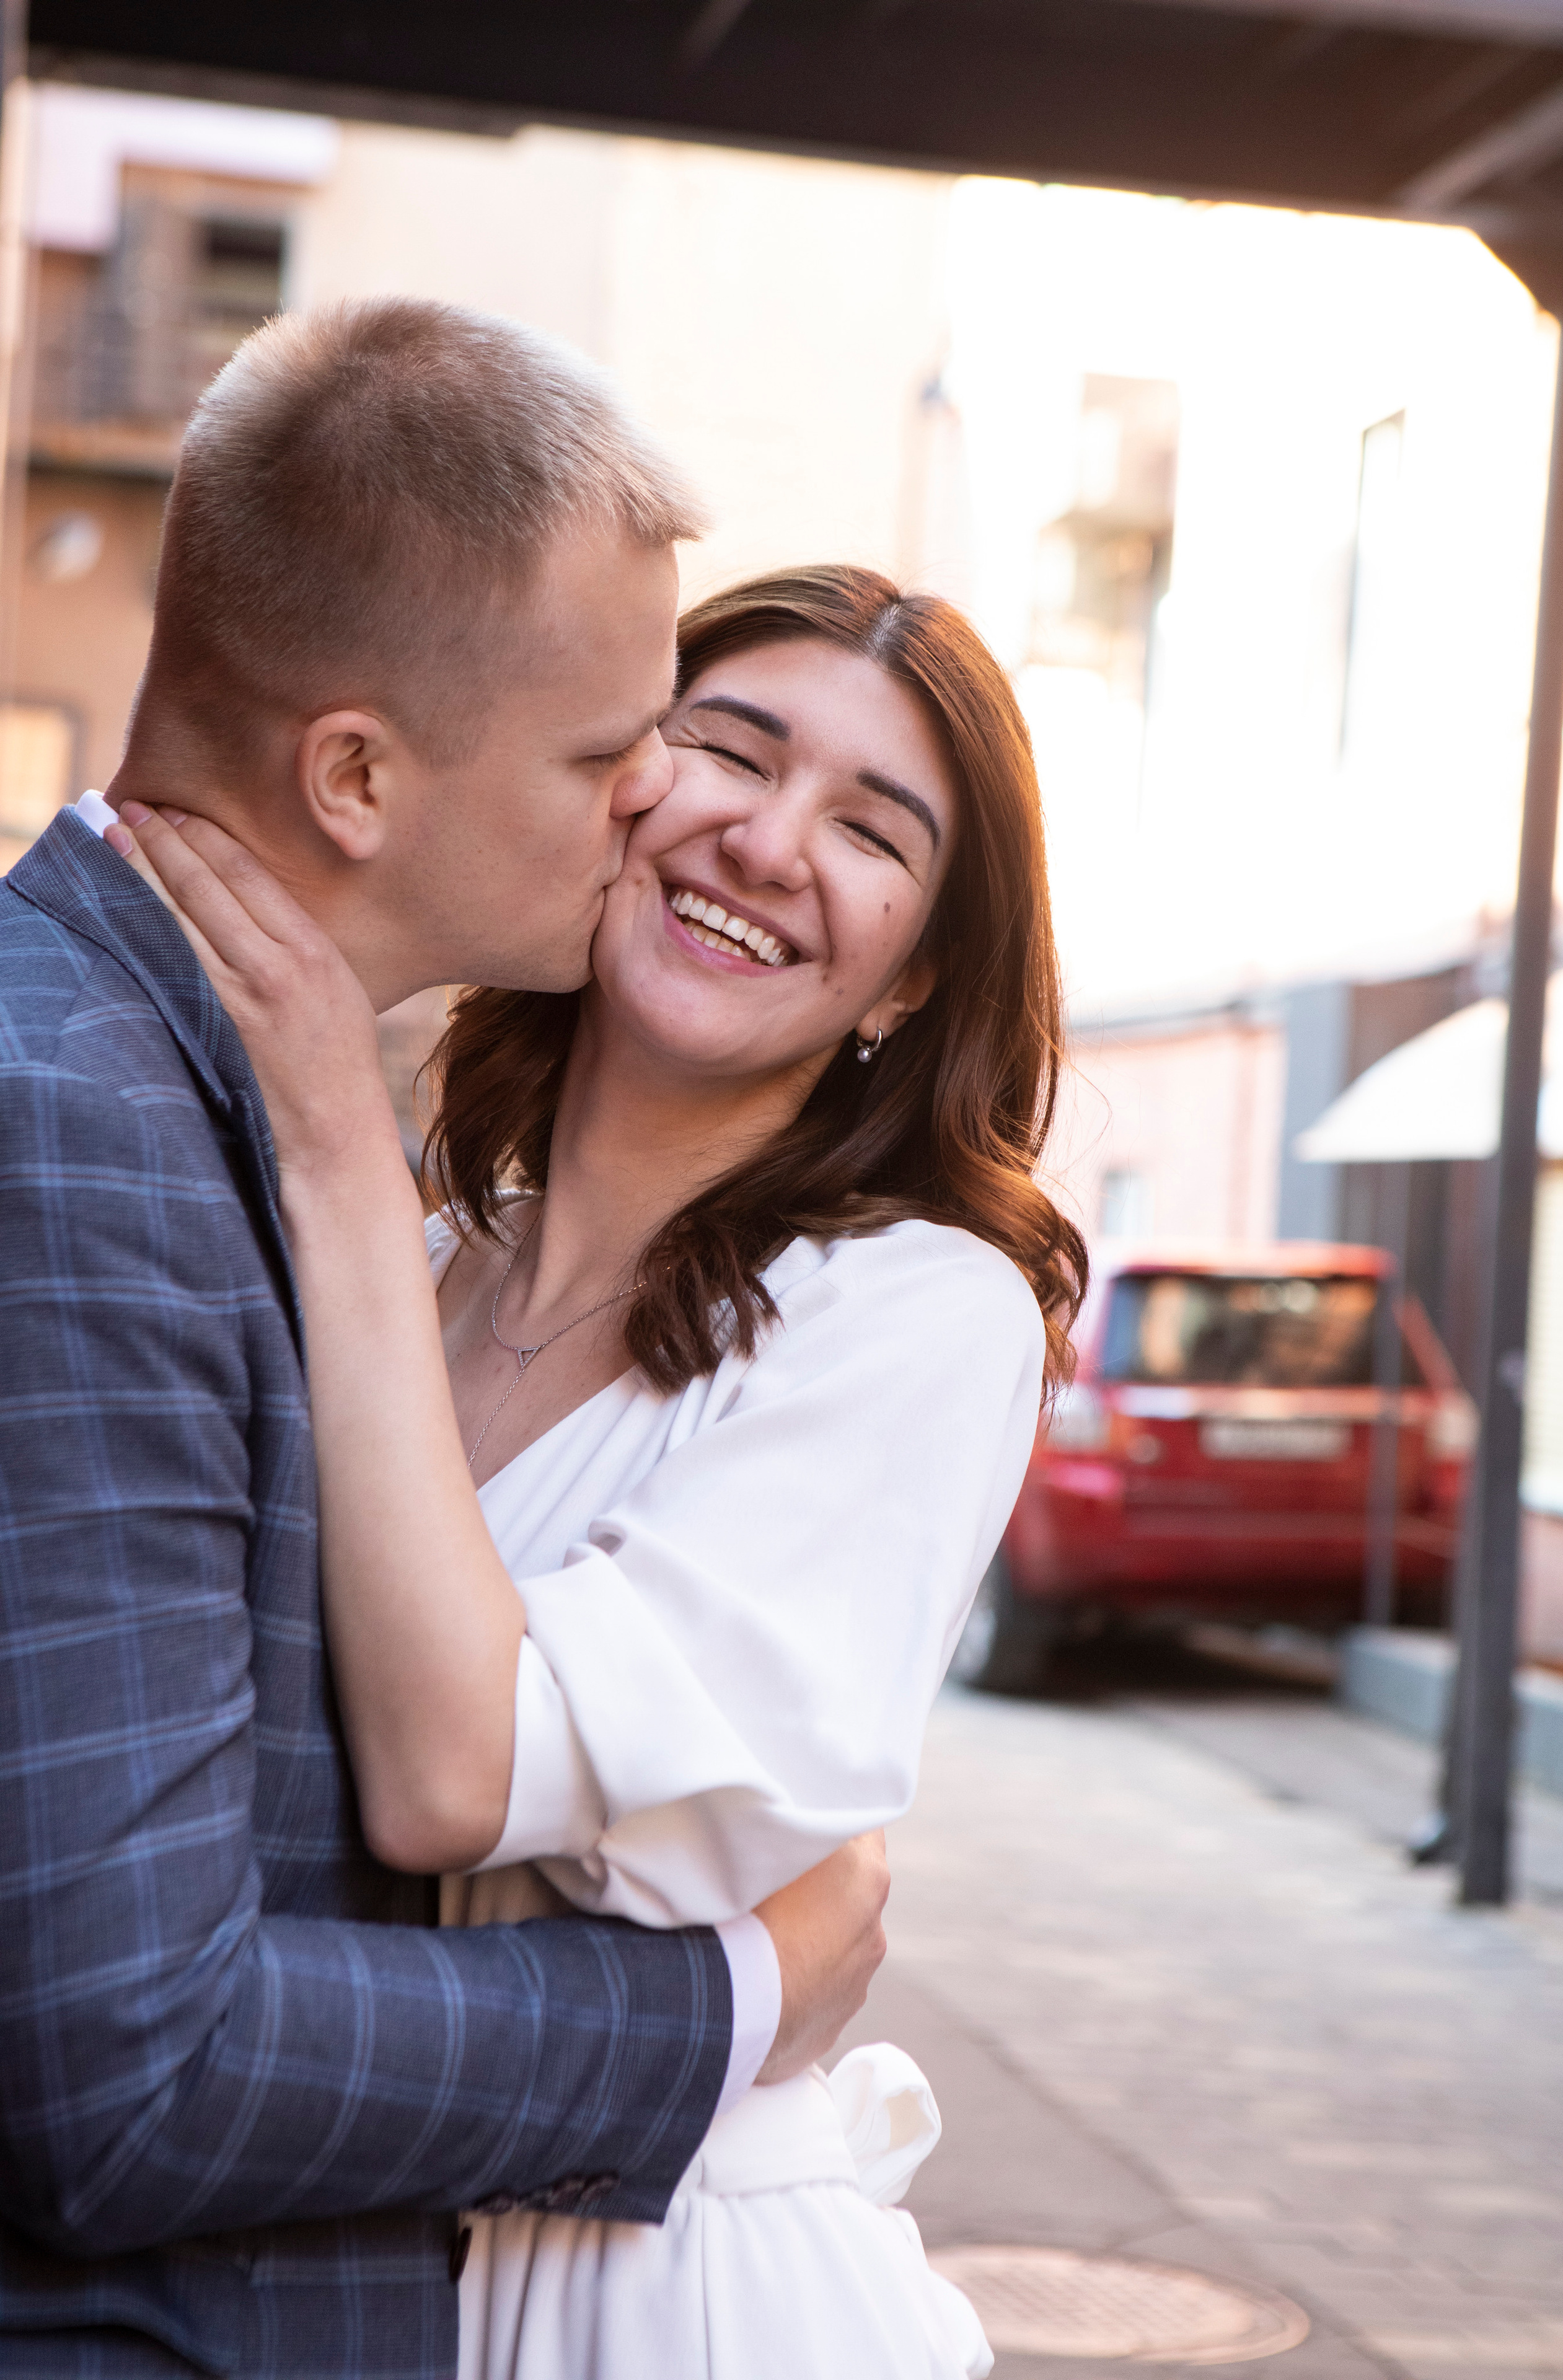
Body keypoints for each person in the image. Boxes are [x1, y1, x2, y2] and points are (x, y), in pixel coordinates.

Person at [0, 300, 889, 2380]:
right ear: (358, 775)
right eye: (606, 749)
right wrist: (729, 2004)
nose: (661, 795)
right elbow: (129, 2071)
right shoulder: (78, 1139)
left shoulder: (193, 1095)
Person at [114, 560, 1087, 2379]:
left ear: (919, 970)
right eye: (728, 747)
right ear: (613, 784)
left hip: (678, 2299)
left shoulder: (918, 1316)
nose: (768, 840)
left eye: (873, 829)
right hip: (339, 2254)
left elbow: (448, 1779)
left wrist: (333, 1135)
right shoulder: (410, 1270)